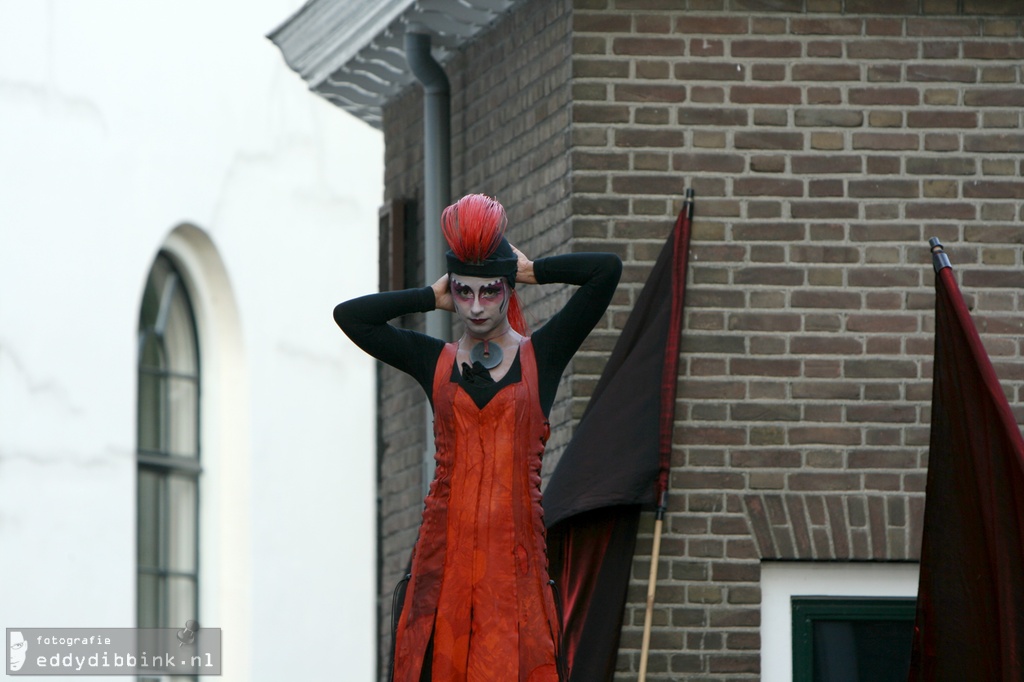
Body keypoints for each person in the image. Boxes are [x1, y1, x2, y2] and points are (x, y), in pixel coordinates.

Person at [334, 194, 621, 682]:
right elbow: (351, 316)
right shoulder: (434, 361)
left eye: (490, 291)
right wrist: (429, 296)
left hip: (516, 570)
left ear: (507, 289)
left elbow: (605, 271)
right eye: (463, 293)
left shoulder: (542, 356)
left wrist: (530, 271)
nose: (476, 307)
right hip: (441, 565)